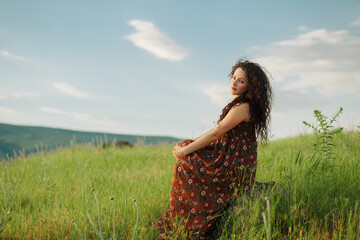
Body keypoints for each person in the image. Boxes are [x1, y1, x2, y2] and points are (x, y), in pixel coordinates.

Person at [156, 59, 273, 239]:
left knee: (184, 164)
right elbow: (217, 136)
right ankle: (185, 220)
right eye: (233, 78)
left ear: (250, 86)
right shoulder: (240, 104)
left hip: (234, 164)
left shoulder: (243, 107)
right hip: (226, 154)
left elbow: (216, 133)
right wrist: (186, 146)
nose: (234, 83)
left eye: (241, 81)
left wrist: (184, 152)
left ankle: (190, 225)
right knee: (186, 146)